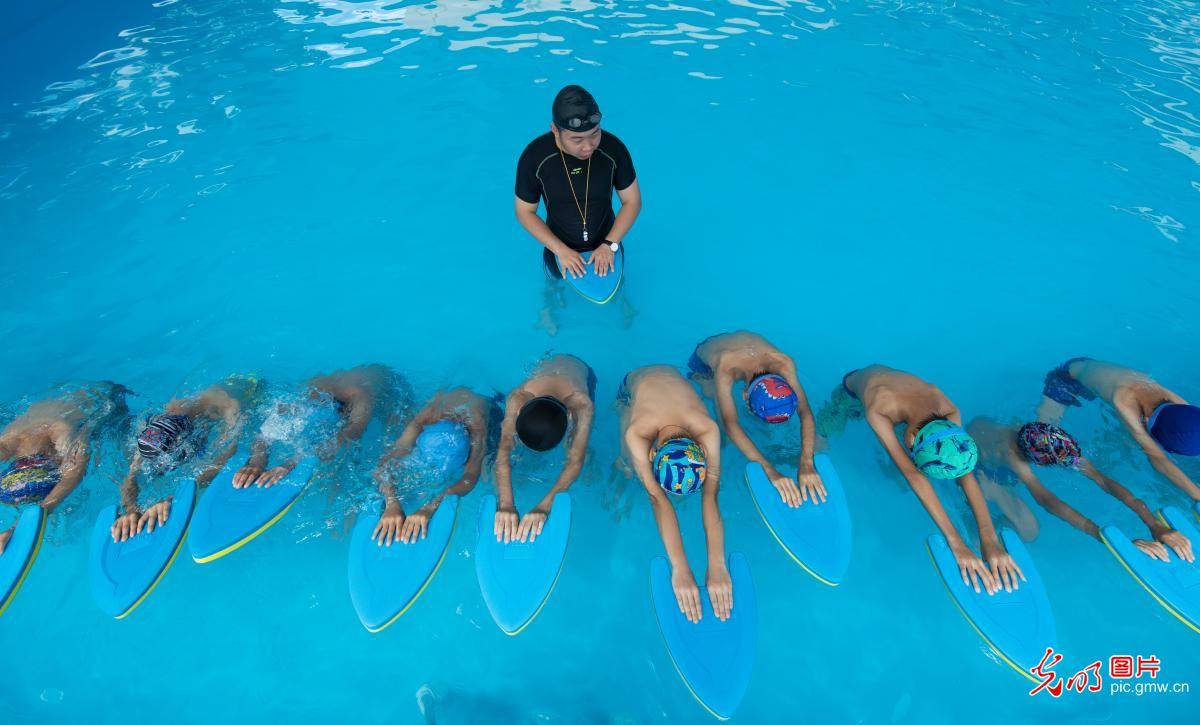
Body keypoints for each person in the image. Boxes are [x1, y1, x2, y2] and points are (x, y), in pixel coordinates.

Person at [816, 365, 1021, 595]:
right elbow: (913, 474)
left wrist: (989, 537)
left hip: (903, 398)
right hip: (852, 391)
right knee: (820, 441)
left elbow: (966, 473)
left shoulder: (950, 412)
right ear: (911, 439)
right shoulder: (878, 409)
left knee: (935, 465)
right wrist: (955, 542)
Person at [969, 418, 1193, 562]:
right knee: (1029, 531)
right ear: (1037, 463)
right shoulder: (1015, 459)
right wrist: (1106, 537)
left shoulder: (1046, 439)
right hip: (980, 466)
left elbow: (1103, 480)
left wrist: (1154, 524)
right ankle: (989, 497)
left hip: (986, 431)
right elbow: (1048, 501)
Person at [515, 85, 641, 332]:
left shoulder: (613, 149)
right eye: (576, 139)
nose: (588, 146)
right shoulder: (535, 158)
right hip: (558, 246)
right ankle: (548, 309)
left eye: (595, 134)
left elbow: (632, 201)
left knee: (617, 283)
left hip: (607, 241)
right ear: (555, 131)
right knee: (554, 283)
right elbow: (524, 211)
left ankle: (622, 301)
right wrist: (560, 251)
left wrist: (610, 244)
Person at [617, 365, 729, 624]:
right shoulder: (636, 433)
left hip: (672, 376)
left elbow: (709, 494)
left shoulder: (708, 429)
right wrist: (679, 567)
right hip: (632, 382)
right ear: (652, 455)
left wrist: (717, 564)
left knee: (645, 478)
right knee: (626, 464)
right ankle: (623, 461)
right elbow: (658, 498)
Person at [113, 375, 260, 541]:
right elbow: (132, 474)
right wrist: (131, 509)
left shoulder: (230, 407)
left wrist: (176, 497)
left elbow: (223, 458)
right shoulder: (155, 427)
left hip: (252, 388)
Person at [689, 331, 824, 507]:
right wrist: (767, 468)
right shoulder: (726, 368)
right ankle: (701, 381)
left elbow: (805, 412)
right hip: (705, 358)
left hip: (744, 346)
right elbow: (731, 424)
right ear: (744, 396)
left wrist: (807, 461)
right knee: (714, 401)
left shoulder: (784, 363)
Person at [1037, 358, 1200, 501]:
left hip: (1099, 376)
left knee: (1129, 441)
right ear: (1148, 421)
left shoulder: (1184, 410)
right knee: (1042, 444)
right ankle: (1015, 435)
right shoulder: (1124, 403)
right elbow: (1157, 459)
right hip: (1066, 379)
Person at [0, 383, 129, 554]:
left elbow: (73, 473)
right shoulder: (8, 442)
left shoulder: (63, 432)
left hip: (107, 398)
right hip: (68, 398)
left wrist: (33, 517)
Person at [233, 364, 411, 488]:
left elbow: (351, 433)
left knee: (391, 440)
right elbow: (266, 433)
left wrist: (292, 463)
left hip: (393, 387)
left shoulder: (361, 397)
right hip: (349, 381)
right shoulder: (307, 392)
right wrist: (257, 460)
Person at [370, 387, 501, 545]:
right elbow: (385, 463)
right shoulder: (425, 418)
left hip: (488, 405)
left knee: (490, 463)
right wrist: (391, 502)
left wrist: (431, 506)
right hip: (449, 397)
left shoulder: (477, 428)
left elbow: (470, 477)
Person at [493, 354, 595, 544]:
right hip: (548, 364)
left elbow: (576, 460)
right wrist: (506, 504)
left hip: (581, 370)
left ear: (570, 417)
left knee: (581, 450)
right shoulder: (517, 396)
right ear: (520, 410)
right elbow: (503, 451)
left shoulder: (583, 405)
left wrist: (545, 506)